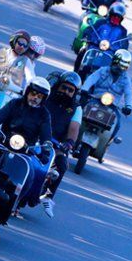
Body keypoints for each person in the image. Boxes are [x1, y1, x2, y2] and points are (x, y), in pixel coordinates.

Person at [0, 77, 54, 217]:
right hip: (3, 142)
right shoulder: (15, 103)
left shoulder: (44, 114)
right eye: (33, 93)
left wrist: (46, 149)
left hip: (26, 151)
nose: (35, 98)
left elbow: (46, 136)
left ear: (43, 99)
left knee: (32, 174)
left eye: (39, 96)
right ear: (27, 92)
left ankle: (17, 202)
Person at [39, 71, 83, 218]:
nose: (66, 92)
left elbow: (74, 127)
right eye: (64, 87)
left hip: (56, 145)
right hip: (34, 137)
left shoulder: (76, 109)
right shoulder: (45, 97)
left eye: (71, 90)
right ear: (58, 86)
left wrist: (69, 142)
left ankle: (48, 197)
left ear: (75, 93)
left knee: (62, 164)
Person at [80, 49, 132, 144]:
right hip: (95, 99)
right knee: (80, 111)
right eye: (118, 65)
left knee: (117, 123)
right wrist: (84, 89)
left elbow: (129, 93)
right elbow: (91, 79)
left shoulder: (126, 79)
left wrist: (128, 106)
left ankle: (107, 142)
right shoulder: (103, 70)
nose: (119, 68)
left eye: (123, 67)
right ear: (113, 61)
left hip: (113, 105)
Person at [75, 1, 129, 75]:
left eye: (118, 17)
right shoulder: (101, 22)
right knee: (82, 51)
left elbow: (124, 44)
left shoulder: (122, 31)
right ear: (110, 14)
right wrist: (88, 36)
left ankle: (111, 83)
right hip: (94, 47)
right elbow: (90, 29)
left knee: (118, 67)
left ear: (121, 19)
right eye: (114, 16)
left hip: (110, 53)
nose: (116, 18)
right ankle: (75, 73)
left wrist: (119, 50)